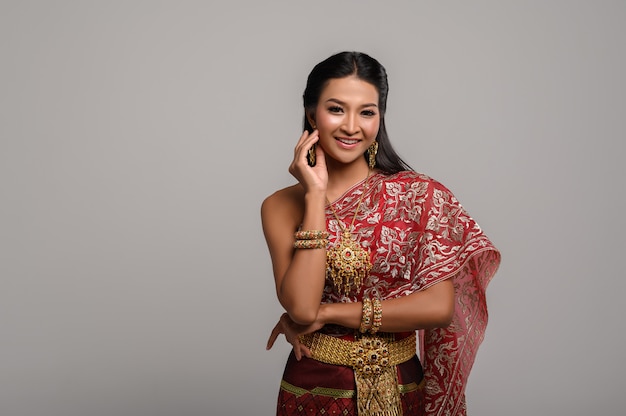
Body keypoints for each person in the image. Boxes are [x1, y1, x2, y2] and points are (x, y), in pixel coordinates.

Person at [261, 51, 500, 416]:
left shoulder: (421, 196)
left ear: (380, 118)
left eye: (367, 112)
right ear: (312, 114)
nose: (351, 126)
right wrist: (313, 196)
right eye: (336, 109)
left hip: (402, 386)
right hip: (314, 388)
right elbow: (301, 307)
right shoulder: (280, 206)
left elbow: (438, 307)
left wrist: (332, 312)